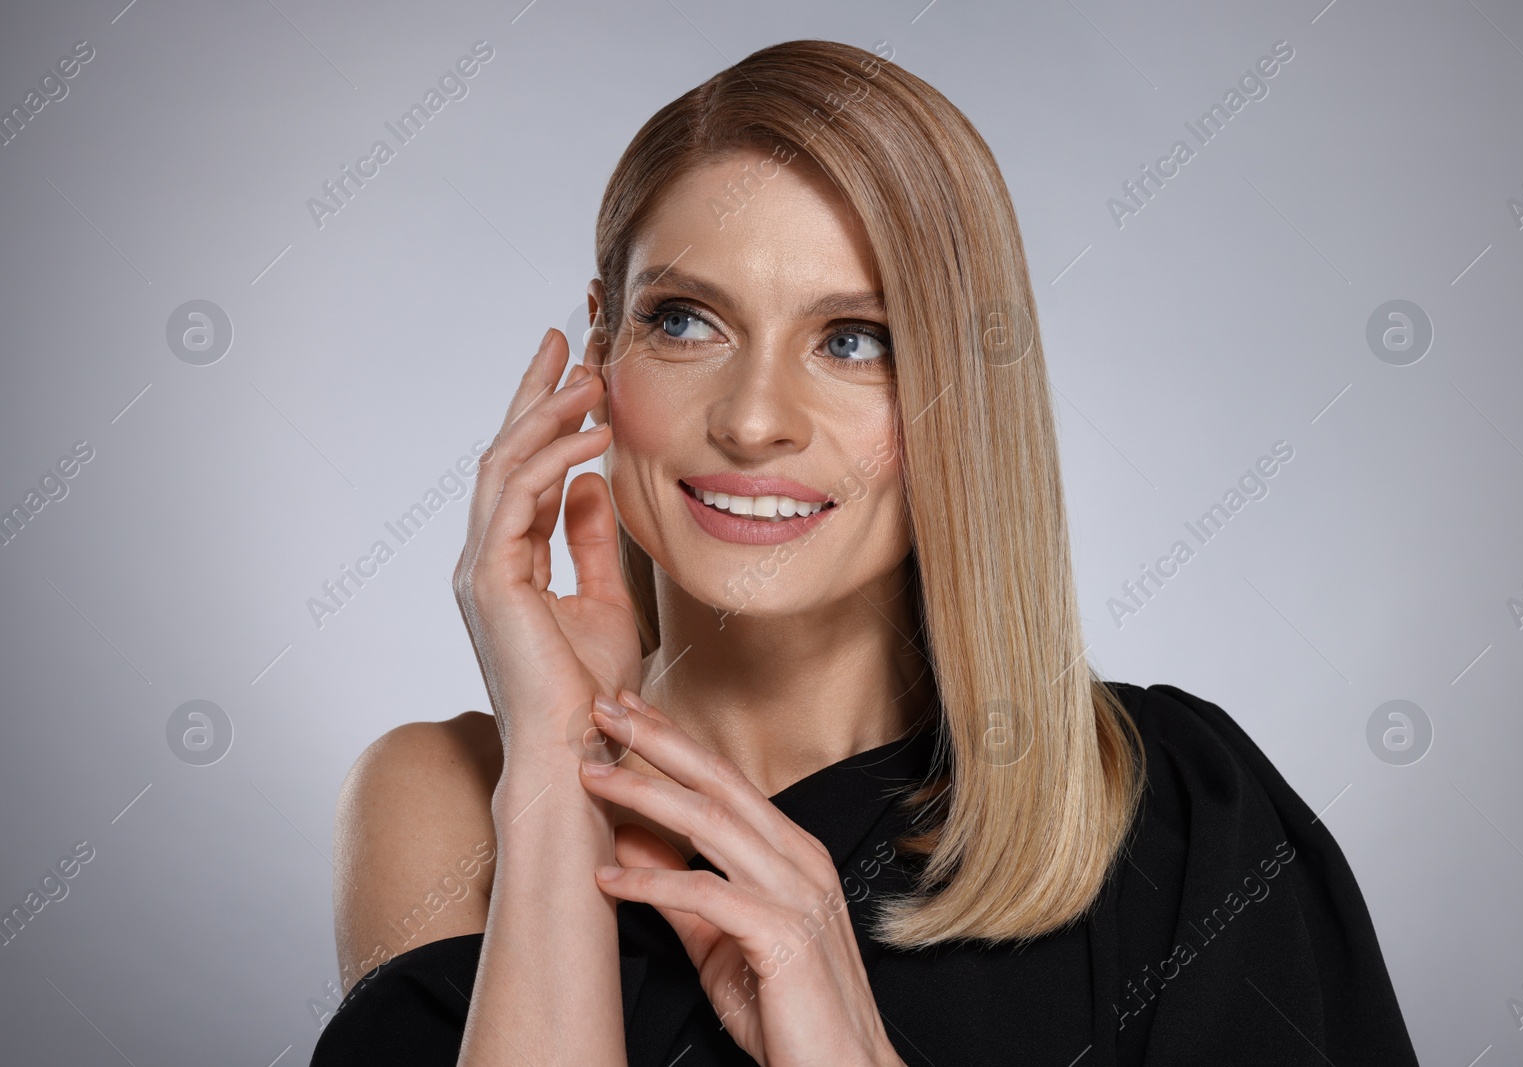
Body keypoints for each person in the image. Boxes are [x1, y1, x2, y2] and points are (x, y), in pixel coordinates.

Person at [310, 39, 1419, 1066]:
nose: (752, 420)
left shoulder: (1179, 809)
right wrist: (557, 777)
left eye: (854, 341)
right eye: (686, 321)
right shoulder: (447, 801)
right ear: (598, 349)